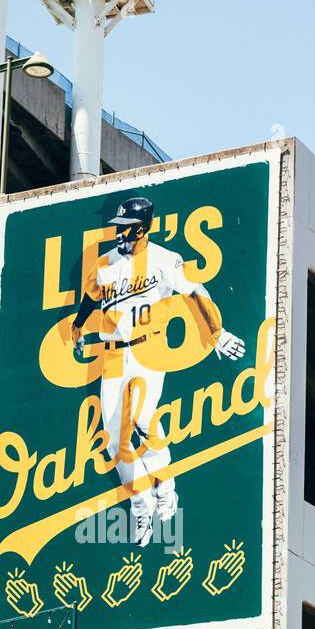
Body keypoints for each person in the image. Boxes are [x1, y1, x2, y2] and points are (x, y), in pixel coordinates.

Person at [71, 195, 245, 547]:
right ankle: (140, 503)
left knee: (142, 420)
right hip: (114, 355)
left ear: (144, 227)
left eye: (127, 229)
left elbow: (196, 291)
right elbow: (91, 296)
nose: (120, 234)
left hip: (149, 349)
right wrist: (77, 326)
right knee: (115, 440)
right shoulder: (105, 263)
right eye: (117, 228)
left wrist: (217, 333)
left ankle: (166, 488)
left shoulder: (164, 259)